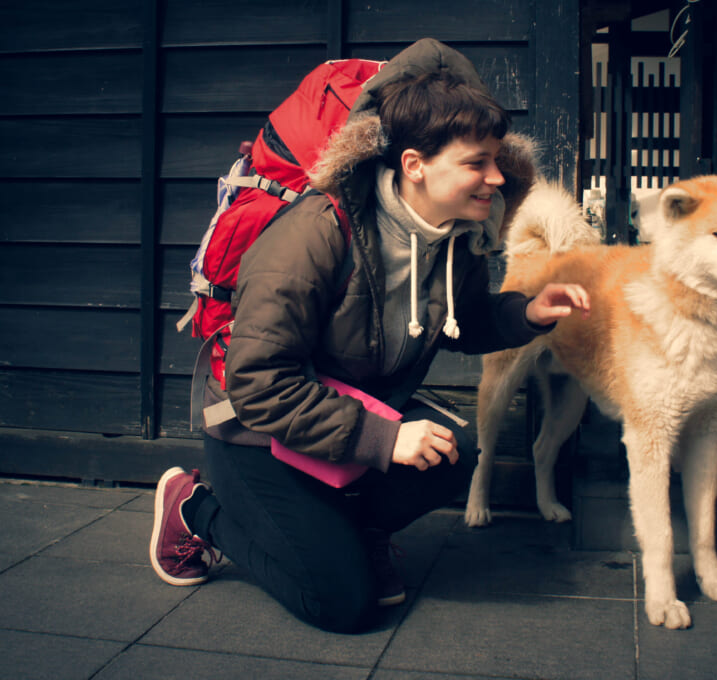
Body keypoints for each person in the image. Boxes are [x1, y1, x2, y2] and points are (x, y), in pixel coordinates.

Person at [148, 38, 590, 634]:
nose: (495, 177)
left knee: (452, 452)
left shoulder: (454, 236)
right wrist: (383, 440)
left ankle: (355, 531)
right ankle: (196, 507)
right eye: (476, 162)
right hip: (258, 431)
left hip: (349, 414)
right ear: (414, 165)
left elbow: (459, 320)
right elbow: (257, 382)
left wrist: (527, 314)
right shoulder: (315, 233)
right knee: (342, 604)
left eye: (496, 159)